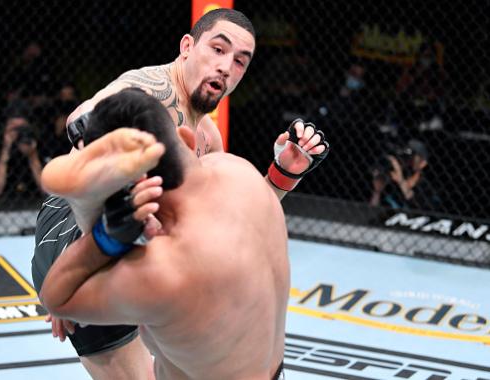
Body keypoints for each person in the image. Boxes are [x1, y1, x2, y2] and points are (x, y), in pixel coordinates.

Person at [33, 8, 328, 379]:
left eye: (240, 61)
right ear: (187, 46)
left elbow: (228, 221)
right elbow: (83, 126)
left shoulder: (209, 136)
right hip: (77, 226)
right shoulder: (150, 91)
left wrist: (283, 174)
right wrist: (74, 282)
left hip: (137, 240)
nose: (226, 67)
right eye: (218, 50)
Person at [38, 88, 292, 379]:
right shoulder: (239, 171)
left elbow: (56, 297)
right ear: (187, 139)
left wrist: (104, 239)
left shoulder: (161, 269)